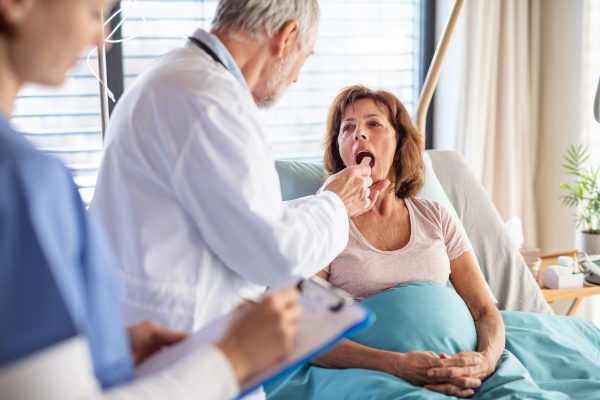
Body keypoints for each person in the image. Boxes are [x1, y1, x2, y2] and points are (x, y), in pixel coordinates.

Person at [0, 0, 305, 398]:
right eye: (94, 12)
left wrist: (107, 345)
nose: (101, 40)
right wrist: (232, 360)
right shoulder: (22, 181)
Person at [92, 0, 387, 342]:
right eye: (304, 58)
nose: (296, 78)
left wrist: (323, 201)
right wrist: (336, 204)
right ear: (286, 37)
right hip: (179, 341)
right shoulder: (214, 103)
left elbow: (234, 216)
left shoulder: (171, 76)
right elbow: (276, 256)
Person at [309, 86, 505, 398]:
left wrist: (485, 360)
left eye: (373, 124)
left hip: (463, 365)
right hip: (371, 373)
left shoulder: (436, 216)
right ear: (340, 149)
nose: (358, 133)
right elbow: (307, 332)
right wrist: (397, 364)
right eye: (347, 128)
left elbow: (484, 310)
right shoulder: (322, 221)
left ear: (400, 141)